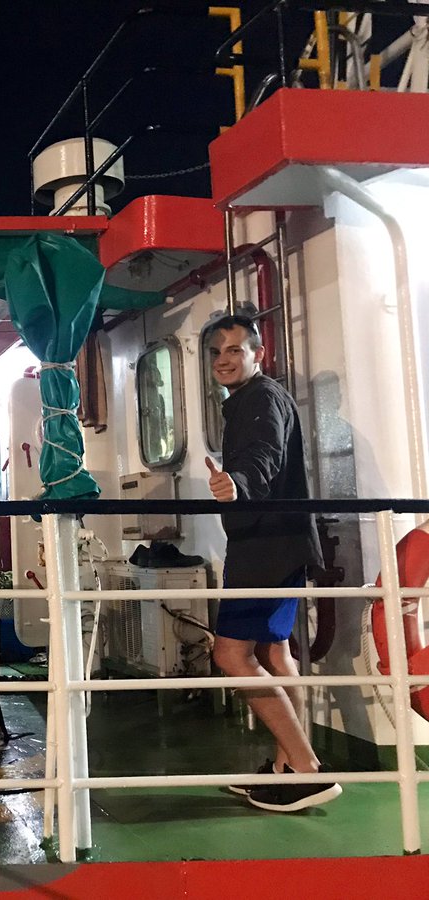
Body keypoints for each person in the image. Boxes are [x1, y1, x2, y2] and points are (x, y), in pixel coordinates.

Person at [204, 314, 340, 812]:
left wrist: (237, 483)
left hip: (264, 547)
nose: (224, 359)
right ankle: (287, 766)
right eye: (217, 352)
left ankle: (306, 768)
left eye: (235, 350)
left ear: (258, 354)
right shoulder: (253, 398)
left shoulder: (261, 399)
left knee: (230, 655)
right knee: (275, 653)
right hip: (283, 544)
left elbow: (263, 457)